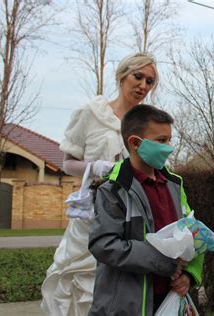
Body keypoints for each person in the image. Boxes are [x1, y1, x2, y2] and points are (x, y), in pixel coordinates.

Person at [41, 53, 159, 315]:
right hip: (91, 218)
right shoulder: (90, 113)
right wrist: (95, 168)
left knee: (123, 288)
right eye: (137, 77)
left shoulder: (147, 124)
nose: (142, 85)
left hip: (130, 218)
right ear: (122, 76)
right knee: (82, 287)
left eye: (149, 81)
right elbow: (68, 163)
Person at [87, 104, 203, 315]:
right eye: (161, 140)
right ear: (135, 143)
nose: (169, 147)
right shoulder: (113, 190)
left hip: (169, 299)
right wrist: (163, 262)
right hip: (126, 306)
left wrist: (190, 275)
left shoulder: (175, 185)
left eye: (170, 140)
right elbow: (103, 244)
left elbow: (193, 233)